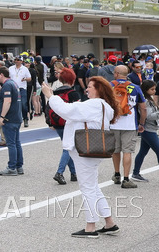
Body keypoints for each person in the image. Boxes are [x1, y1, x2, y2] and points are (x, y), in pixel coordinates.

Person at [42, 76, 121, 238]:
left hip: (85, 150)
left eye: (91, 87)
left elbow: (67, 111)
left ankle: (90, 227)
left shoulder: (94, 104)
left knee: (87, 188)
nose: (87, 89)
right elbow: (73, 110)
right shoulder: (104, 106)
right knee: (93, 187)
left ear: (99, 89)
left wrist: (50, 97)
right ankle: (109, 222)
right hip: (95, 149)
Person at [110, 65, 146, 189]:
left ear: (116, 74)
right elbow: (143, 107)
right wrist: (141, 123)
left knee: (115, 150)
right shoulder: (135, 87)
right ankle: (126, 179)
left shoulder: (109, 86)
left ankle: (116, 174)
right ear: (127, 74)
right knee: (127, 151)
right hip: (130, 125)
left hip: (113, 123)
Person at [46, 68, 79, 184]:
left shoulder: (55, 92)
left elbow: (49, 107)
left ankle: (74, 173)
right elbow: (77, 110)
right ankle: (59, 172)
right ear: (72, 80)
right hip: (69, 124)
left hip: (57, 124)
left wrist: (50, 122)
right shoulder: (73, 93)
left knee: (67, 146)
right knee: (68, 148)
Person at [0, 67, 23, 175]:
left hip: (10, 118)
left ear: (1, 75)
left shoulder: (7, 85)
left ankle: (12, 167)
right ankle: (19, 166)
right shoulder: (13, 83)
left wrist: (2, 117)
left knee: (11, 143)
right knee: (16, 143)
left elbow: (7, 101)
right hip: (17, 117)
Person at [131, 80, 159, 182]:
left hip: (149, 129)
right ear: (146, 90)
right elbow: (149, 116)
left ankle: (135, 173)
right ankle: (135, 173)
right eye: (152, 89)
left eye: (155, 89)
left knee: (142, 152)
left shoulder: (149, 99)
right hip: (148, 129)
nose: (154, 91)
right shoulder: (146, 101)